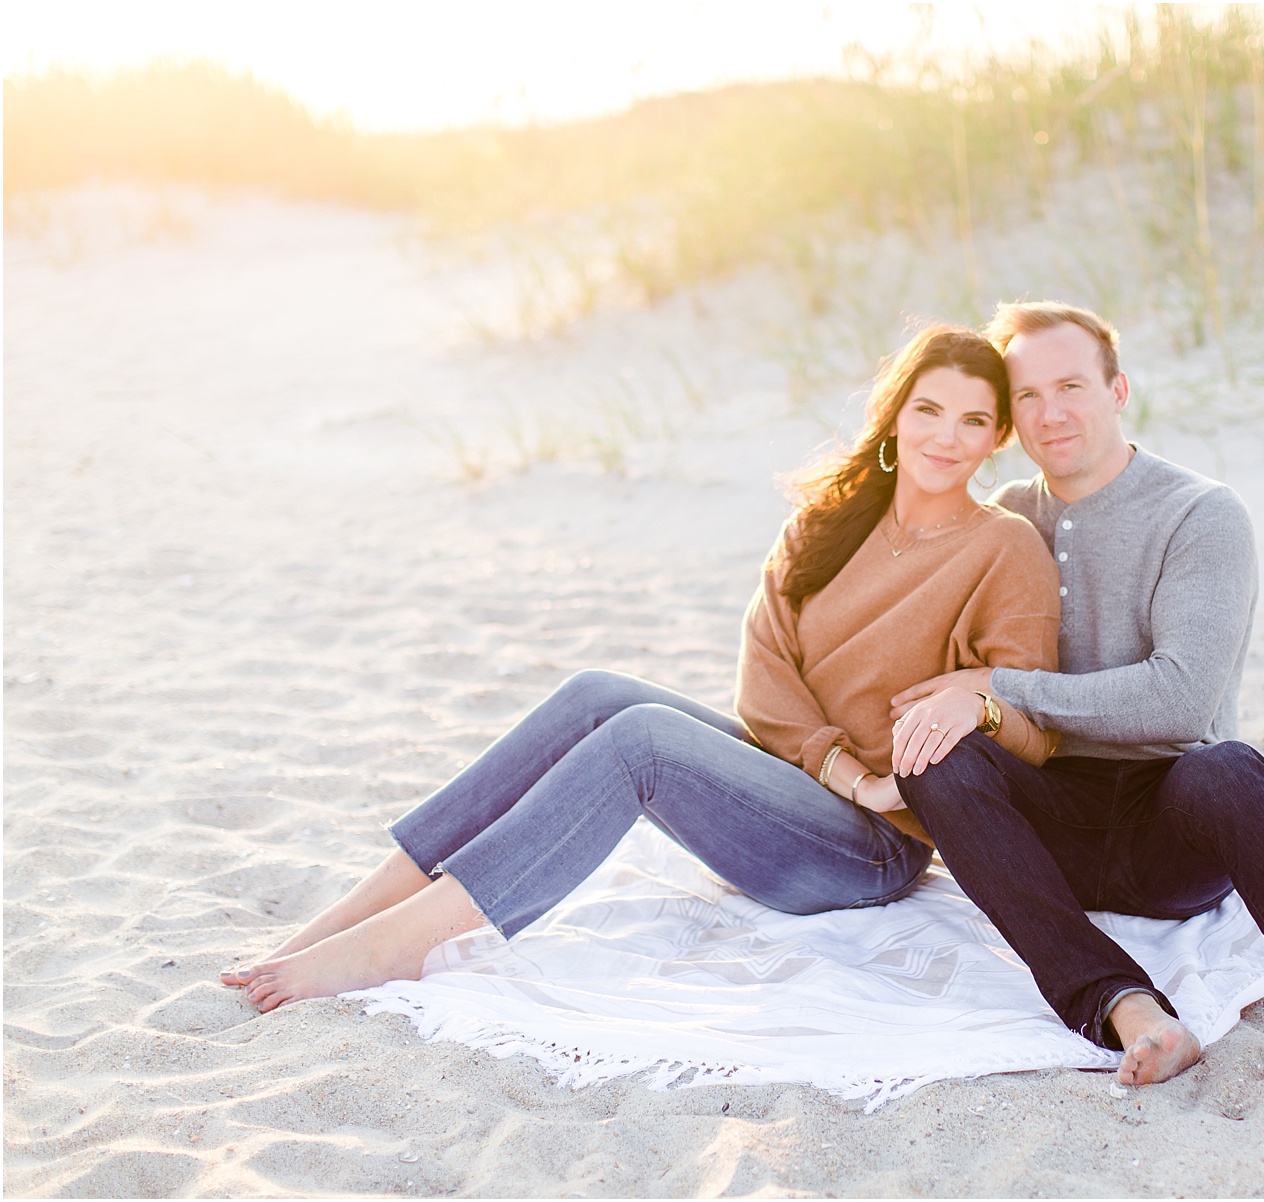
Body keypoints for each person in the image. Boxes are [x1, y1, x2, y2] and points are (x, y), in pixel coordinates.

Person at [220, 325, 1061, 1011]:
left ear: (998, 438)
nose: (946, 438)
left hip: (872, 844)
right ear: (896, 414)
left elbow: (1032, 728)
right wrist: (839, 767)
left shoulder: (1002, 548)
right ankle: (347, 917)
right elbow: (764, 681)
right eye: (929, 410)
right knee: (596, 695)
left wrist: (957, 718)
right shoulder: (832, 522)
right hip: (800, 788)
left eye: (973, 422)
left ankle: (401, 946)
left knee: (644, 742)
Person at [887, 302, 1264, 1139]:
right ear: (1010, 421)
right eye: (1028, 396)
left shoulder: (1200, 514)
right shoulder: (1005, 516)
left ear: (1118, 389)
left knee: (1225, 765)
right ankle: (1125, 1007)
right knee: (933, 754)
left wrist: (999, 688)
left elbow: (1179, 700)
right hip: (1050, 821)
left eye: (1071, 386)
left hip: (1173, 823)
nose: (1051, 412)